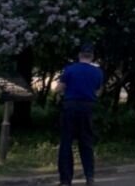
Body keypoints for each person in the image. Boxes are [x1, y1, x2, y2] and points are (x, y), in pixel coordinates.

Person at [58, 42, 103, 186]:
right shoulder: (98, 72)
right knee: (86, 143)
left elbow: (60, 88)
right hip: (87, 108)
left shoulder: (70, 69)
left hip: (70, 107)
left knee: (66, 143)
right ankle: (89, 177)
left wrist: (62, 93)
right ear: (92, 56)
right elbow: (98, 91)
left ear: (79, 55)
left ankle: (66, 180)